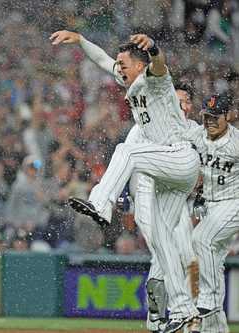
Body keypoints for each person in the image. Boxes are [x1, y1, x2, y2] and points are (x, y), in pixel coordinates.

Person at [50, 31, 201, 332]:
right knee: (161, 241)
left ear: (139, 64)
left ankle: (100, 204)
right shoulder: (127, 80)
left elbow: (159, 64)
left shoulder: (154, 80)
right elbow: (102, 60)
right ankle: (185, 312)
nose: (118, 68)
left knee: (125, 150)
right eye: (119, 64)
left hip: (179, 158)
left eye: (124, 63)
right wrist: (80, 39)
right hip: (166, 172)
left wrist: (154, 48)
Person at [125, 83, 200, 332]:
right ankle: (170, 313)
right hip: (146, 196)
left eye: (186, 101)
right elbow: (127, 156)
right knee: (166, 248)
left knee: (185, 256)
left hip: (176, 202)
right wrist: (125, 194)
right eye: (177, 101)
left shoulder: (194, 131)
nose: (182, 106)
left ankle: (177, 315)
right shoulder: (144, 127)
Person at [185, 94, 239, 333]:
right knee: (213, 261)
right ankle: (216, 328)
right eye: (206, 117)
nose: (210, 121)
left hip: (234, 202)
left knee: (201, 239)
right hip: (210, 206)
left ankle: (206, 300)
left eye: (215, 116)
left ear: (228, 116)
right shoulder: (197, 135)